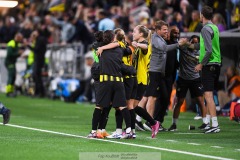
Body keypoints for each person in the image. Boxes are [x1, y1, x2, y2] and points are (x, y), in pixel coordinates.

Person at [88, 30, 132, 139]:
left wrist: (103, 47)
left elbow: (97, 45)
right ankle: (129, 131)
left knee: (99, 106)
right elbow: (128, 50)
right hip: (118, 82)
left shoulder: (99, 49)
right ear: (113, 39)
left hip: (105, 82)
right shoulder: (120, 50)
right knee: (122, 106)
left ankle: (94, 132)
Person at [192, 5, 222, 133]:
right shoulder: (214, 27)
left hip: (209, 65)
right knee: (208, 94)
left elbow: (208, 50)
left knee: (208, 96)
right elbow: (205, 46)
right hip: (216, 64)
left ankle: (215, 125)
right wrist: (189, 45)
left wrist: (201, 64)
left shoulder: (205, 29)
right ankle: (209, 123)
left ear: (202, 15)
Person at [168, 35, 207, 131]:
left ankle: (206, 123)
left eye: (196, 42)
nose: (194, 44)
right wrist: (184, 41)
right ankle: (174, 124)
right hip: (183, 79)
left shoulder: (200, 52)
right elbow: (180, 43)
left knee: (200, 101)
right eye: (192, 42)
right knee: (179, 101)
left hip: (195, 79)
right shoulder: (183, 48)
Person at [27, 30, 47, 97]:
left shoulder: (40, 40)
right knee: (37, 76)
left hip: (38, 60)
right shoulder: (40, 40)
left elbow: (36, 49)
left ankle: (40, 92)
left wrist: (28, 46)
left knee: (37, 77)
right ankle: (39, 92)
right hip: (38, 60)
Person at [4, 32, 24, 97]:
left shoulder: (17, 44)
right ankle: (8, 91)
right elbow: (10, 54)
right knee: (11, 76)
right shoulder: (11, 43)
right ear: (17, 37)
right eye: (20, 38)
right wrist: (18, 53)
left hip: (12, 62)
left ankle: (11, 91)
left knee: (13, 76)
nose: (21, 40)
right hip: (9, 62)